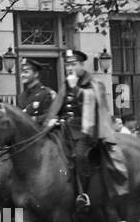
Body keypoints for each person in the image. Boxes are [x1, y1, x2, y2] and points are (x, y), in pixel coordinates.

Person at [50, 48, 127, 207]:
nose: (69, 68)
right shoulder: (66, 85)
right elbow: (57, 106)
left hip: (88, 132)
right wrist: (52, 119)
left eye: (73, 64)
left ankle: (83, 194)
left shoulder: (94, 83)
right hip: (66, 131)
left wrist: (76, 89)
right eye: (67, 65)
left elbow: (92, 102)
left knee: (79, 156)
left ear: (81, 65)